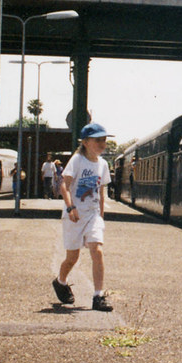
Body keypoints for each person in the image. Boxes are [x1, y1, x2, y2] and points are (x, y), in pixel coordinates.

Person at [53, 123, 114, 312]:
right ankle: (60, 281)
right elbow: (64, 185)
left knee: (97, 250)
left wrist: (101, 217)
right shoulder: (77, 160)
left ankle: (98, 296)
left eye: (104, 140)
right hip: (75, 216)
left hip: (93, 215)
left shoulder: (103, 164)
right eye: (98, 140)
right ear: (86, 142)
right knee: (72, 258)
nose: (102, 144)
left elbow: (101, 192)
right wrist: (70, 207)